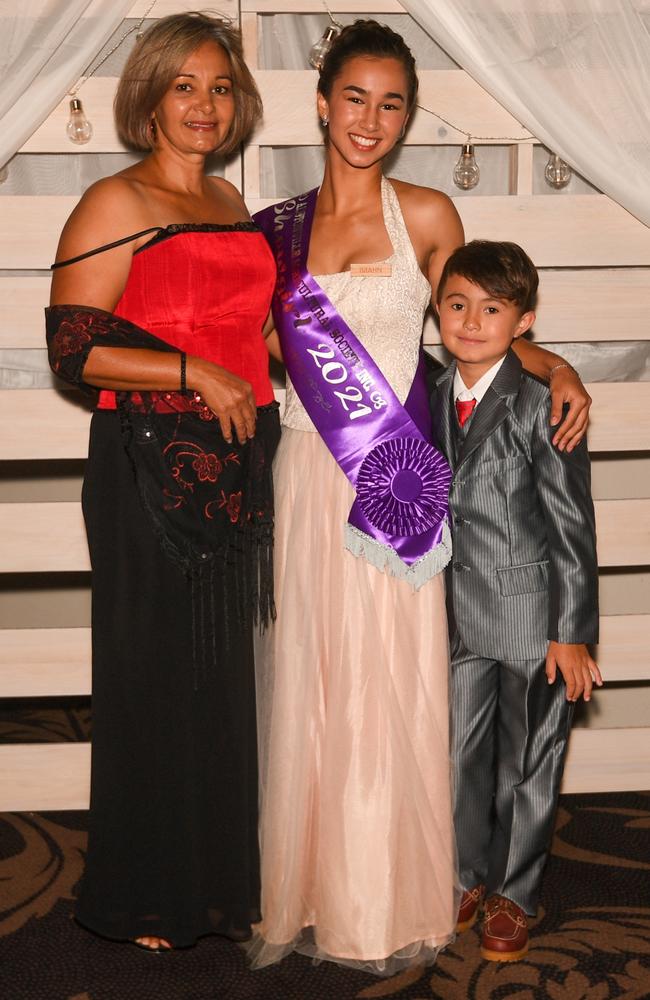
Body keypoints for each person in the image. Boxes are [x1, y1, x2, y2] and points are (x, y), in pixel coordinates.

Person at [250, 21, 592, 973]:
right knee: (313, 679)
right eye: (354, 97)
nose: (370, 119)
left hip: (393, 482)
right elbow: (258, 351)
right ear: (322, 101)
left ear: (405, 117)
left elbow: (479, 323)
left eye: (391, 102)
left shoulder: (430, 214)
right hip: (310, 474)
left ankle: (392, 889)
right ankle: (319, 887)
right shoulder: (272, 231)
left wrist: (551, 357)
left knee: (395, 685)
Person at [45, 13, 280, 951]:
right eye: (184, 84)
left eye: (220, 86)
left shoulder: (234, 205)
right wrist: (193, 373)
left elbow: (253, 339)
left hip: (236, 464)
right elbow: (71, 349)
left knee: (222, 683)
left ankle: (217, 887)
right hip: (145, 467)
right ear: (148, 96)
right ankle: (148, 893)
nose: (204, 103)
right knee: (154, 683)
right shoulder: (113, 200)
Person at [431, 240, 601, 962]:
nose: (471, 322)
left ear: (523, 321)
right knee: (457, 753)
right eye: (457, 304)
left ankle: (516, 893)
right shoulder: (432, 395)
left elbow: (572, 524)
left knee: (529, 761)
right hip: (453, 613)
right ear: (436, 311)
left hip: (533, 618)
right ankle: (467, 876)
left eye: (492, 309)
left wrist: (571, 631)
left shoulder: (544, 405)